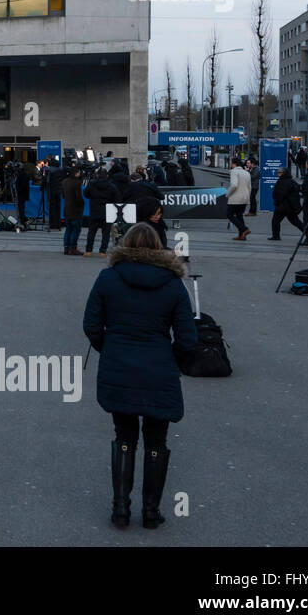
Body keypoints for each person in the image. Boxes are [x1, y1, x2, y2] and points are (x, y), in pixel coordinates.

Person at [83, 223, 196, 529]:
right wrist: (172, 360)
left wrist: (109, 348)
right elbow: (187, 338)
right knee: (157, 438)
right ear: (159, 247)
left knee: (124, 435)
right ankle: (151, 510)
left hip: (119, 364)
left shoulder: (108, 277)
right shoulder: (173, 284)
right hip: (159, 368)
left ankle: (120, 508)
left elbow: (91, 324)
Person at [83, 167, 117, 257]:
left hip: (94, 210)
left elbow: (86, 194)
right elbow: (116, 198)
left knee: (91, 232)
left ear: (97, 175)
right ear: (107, 176)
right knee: (106, 233)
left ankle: (88, 251)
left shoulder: (91, 184)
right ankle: (102, 251)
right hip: (107, 212)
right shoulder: (111, 186)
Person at [268, 168, 304, 241]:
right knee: (296, 222)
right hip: (291, 206)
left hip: (282, 206)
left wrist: (277, 201)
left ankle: (276, 236)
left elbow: (280, 194)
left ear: (283, 173)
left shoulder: (282, 182)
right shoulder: (292, 181)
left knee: (275, 221)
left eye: (279, 172)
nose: (278, 174)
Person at [60, 166, 85, 255]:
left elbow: (63, 195)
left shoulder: (64, 182)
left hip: (67, 208)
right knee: (76, 229)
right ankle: (73, 247)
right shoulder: (77, 183)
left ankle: (66, 247)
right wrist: (82, 204)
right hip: (75, 209)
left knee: (68, 229)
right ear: (75, 173)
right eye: (78, 172)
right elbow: (78, 197)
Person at [225, 157, 251, 241]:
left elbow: (234, 185)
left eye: (231, 163)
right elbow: (249, 187)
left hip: (235, 198)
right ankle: (242, 235)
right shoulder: (246, 172)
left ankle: (244, 229)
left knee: (229, 215)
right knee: (239, 215)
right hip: (245, 198)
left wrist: (228, 194)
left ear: (234, 164)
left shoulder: (234, 172)